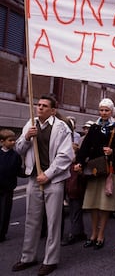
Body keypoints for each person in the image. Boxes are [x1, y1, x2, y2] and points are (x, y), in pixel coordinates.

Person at [12, 94, 74, 276]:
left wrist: (48, 174)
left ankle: (51, 260)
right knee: (31, 220)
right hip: (33, 178)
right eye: (38, 105)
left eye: (44, 106)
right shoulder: (30, 124)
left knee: (53, 221)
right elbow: (19, 149)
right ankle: (28, 257)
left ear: (53, 110)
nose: (39, 108)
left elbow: (65, 156)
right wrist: (26, 137)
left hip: (53, 180)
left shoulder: (62, 127)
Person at [74, 98, 115, 250]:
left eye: (107, 110)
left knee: (105, 205)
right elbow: (85, 147)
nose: (103, 113)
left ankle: (101, 235)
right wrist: (79, 162)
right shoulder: (94, 127)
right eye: (101, 110)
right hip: (94, 169)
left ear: (111, 111)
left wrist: (113, 151)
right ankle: (93, 234)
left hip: (109, 169)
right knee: (92, 203)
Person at [0, 129, 22, 242]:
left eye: (14, 140)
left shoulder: (15, 156)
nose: (13, 142)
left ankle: (1, 234)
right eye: (10, 140)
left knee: (5, 211)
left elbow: (18, 171)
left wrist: (29, 173)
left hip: (8, 188)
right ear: (2, 141)